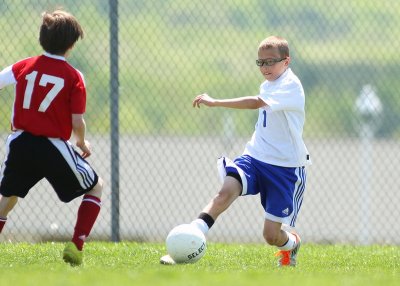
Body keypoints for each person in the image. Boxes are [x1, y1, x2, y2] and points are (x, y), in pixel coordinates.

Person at [161, 36, 310, 267]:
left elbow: (255, 102)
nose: (265, 68)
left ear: (286, 61)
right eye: (260, 63)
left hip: (285, 168)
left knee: (271, 235)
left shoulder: (291, 85)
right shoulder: (269, 82)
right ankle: (192, 235)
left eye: (270, 62)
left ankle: (292, 244)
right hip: (255, 157)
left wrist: (215, 102)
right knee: (225, 192)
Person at [0, 9, 103, 266]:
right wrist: (81, 142)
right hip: (51, 145)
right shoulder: (74, 76)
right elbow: (77, 121)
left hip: (20, 142)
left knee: (7, 200)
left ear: (41, 38)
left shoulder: (24, 65)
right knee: (96, 186)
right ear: (71, 45)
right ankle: (76, 246)